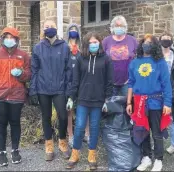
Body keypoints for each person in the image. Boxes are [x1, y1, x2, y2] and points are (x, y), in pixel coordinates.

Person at [0, 27, 31, 166]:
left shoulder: (23, 55)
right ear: (2, 39)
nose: (9, 40)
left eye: (12, 37)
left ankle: (15, 150)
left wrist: (20, 74)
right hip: (0, 95)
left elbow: (29, 75)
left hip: (17, 95)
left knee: (15, 123)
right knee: (1, 123)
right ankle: (2, 152)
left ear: (17, 40)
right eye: (7, 37)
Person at [66, 32, 113, 170]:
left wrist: (107, 100)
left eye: (96, 42)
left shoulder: (106, 59)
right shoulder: (81, 58)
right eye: (91, 42)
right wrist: (70, 98)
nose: (94, 44)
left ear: (100, 43)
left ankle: (92, 154)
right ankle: (75, 153)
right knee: (79, 127)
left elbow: (109, 82)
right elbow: (75, 81)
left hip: (98, 101)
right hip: (83, 99)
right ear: (87, 44)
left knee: (93, 128)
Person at [126, 34, 172, 171]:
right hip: (139, 102)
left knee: (156, 132)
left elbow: (166, 84)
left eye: (150, 43)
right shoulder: (135, 62)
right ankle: (146, 157)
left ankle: (158, 159)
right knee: (142, 131)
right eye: (145, 42)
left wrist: (167, 103)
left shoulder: (160, 62)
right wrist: (129, 102)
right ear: (141, 45)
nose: (147, 45)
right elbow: (131, 83)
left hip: (155, 101)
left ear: (155, 46)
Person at [29, 20, 72, 161]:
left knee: (63, 116)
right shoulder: (38, 47)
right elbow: (34, 70)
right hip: (43, 88)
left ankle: (62, 141)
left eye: (51, 26)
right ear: (43, 29)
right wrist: (33, 90)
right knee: (46, 117)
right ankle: (49, 144)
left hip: (60, 88)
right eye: (46, 27)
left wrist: (69, 91)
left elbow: (68, 70)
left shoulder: (64, 47)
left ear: (56, 28)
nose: (49, 29)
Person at [65, 23, 90, 147]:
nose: (73, 32)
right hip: (69, 82)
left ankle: (87, 133)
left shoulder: (82, 48)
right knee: (69, 109)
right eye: (71, 30)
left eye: (75, 30)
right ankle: (70, 135)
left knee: (84, 107)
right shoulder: (65, 47)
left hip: (82, 81)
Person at [159, 32, 174, 154]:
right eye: (164, 39)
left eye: (168, 39)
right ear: (160, 41)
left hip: (172, 94)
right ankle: (159, 144)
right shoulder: (156, 56)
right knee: (157, 120)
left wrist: (172, 95)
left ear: (172, 41)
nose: (166, 41)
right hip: (157, 93)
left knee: (171, 121)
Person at [102, 15, 138, 96]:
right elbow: (101, 58)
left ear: (125, 27)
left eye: (121, 25)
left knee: (127, 106)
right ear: (112, 27)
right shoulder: (106, 41)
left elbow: (139, 57)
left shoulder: (132, 40)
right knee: (111, 107)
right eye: (116, 26)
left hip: (127, 82)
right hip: (110, 82)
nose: (119, 27)